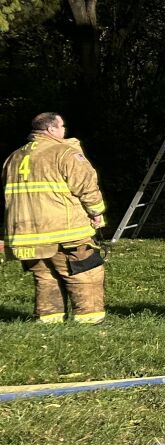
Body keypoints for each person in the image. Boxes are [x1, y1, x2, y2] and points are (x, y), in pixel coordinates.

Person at [2, 112, 108, 325]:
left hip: (24, 235)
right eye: (62, 126)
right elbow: (86, 187)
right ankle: (90, 320)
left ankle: (49, 320)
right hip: (63, 231)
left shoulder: (13, 157)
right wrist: (96, 213)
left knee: (45, 275)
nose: (64, 130)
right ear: (51, 129)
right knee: (85, 273)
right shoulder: (65, 153)